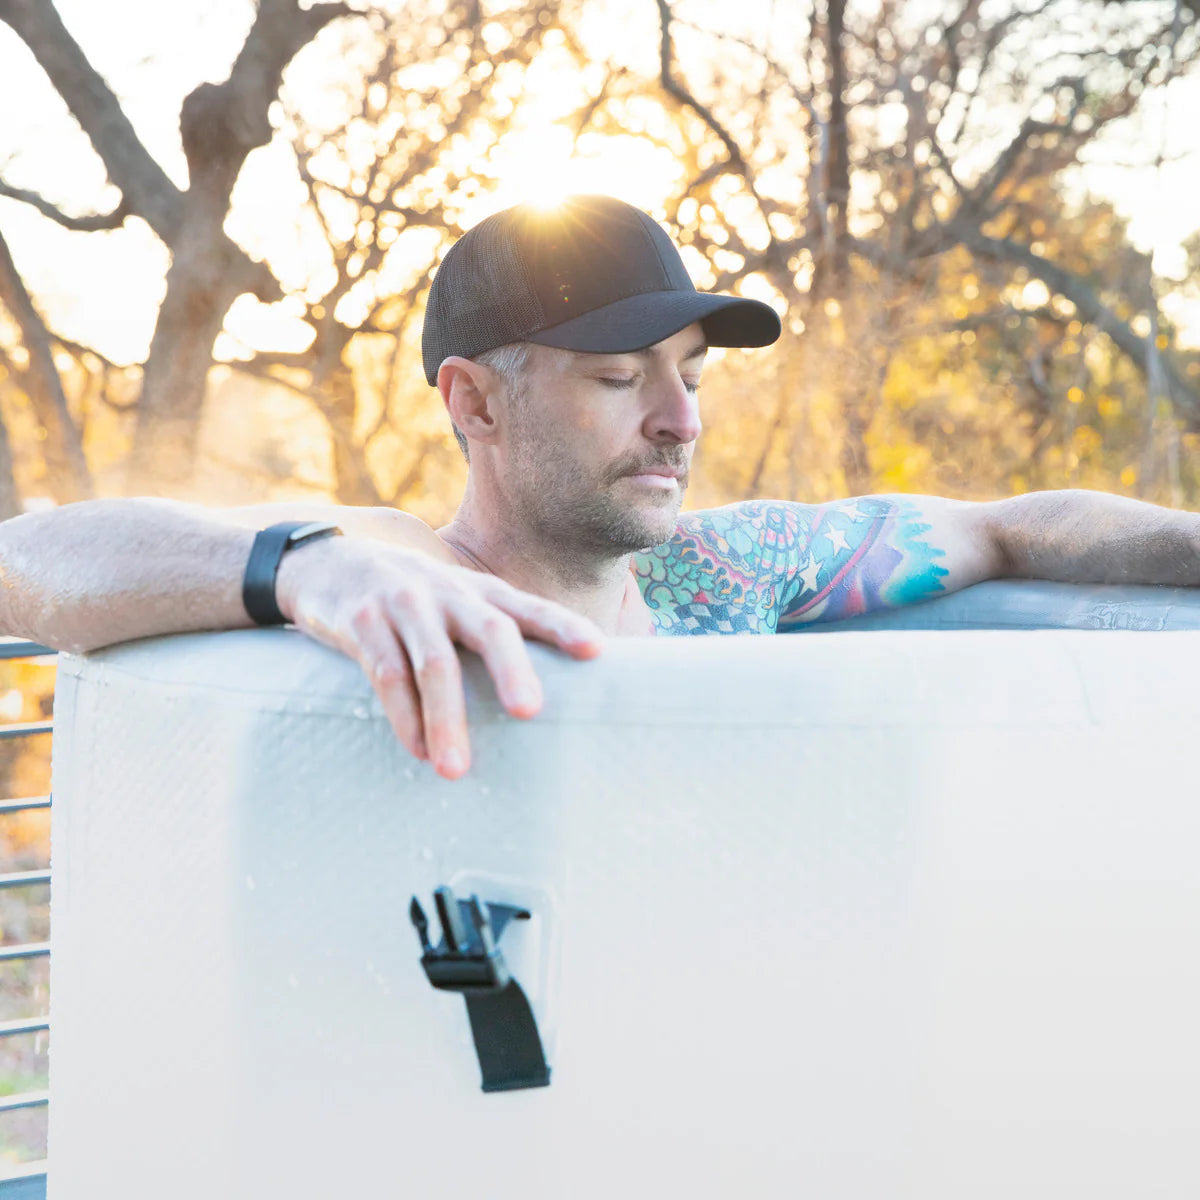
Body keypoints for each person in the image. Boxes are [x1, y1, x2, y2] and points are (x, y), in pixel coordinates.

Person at [1, 195, 1198, 780]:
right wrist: (304, 567)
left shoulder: (727, 576)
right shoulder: (405, 569)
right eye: (620, 376)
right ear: (474, 403)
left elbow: (1011, 525)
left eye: (687, 375)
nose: (680, 421)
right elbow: (28, 560)